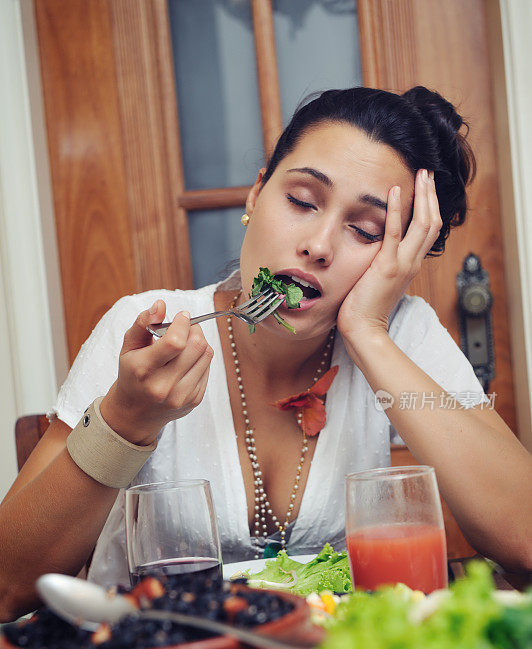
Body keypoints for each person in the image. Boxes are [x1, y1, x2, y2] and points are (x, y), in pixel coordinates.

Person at [1, 86, 531, 620]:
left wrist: (368, 332)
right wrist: (125, 421)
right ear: (256, 196)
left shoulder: (401, 334)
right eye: (302, 201)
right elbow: (9, 585)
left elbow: (524, 537)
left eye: (365, 230)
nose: (319, 245)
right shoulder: (147, 325)